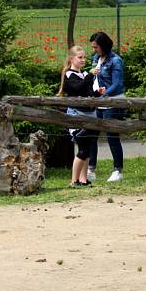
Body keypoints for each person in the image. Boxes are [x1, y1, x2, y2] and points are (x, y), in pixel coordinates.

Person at [58, 46, 105, 187]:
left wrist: (97, 93)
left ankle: (83, 180)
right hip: (77, 115)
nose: (83, 60)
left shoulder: (84, 74)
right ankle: (74, 180)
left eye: (84, 57)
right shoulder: (69, 75)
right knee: (83, 148)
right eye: (80, 57)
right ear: (72, 58)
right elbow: (77, 89)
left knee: (88, 148)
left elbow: (87, 92)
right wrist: (91, 75)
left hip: (90, 114)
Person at [87, 31, 125, 182]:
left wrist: (103, 95)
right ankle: (91, 168)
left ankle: (118, 170)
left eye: (96, 47)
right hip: (98, 101)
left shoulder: (116, 61)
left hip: (112, 101)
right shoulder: (96, 58)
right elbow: (92, 75)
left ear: (103, 46)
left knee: (112, 136)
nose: (94, 50)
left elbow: (117, 84)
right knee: (91, 135)